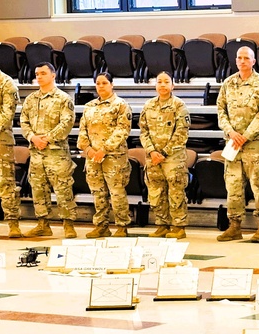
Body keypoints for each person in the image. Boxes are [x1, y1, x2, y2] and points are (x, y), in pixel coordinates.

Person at [216, 46, 259, 243]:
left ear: (253, 61)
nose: (242, 61)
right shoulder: (228, 83)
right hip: (232, 143)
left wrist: (246, 135)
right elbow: (221, 111)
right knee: (232, 186)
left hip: (254, 144)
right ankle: (234, 226)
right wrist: (231, 132)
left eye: (246, 58)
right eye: (239, 58)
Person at [20, 62, 77, 238]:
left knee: (63, 189)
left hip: (56, 153)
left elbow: (67, 123)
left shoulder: (63, 99)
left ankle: (68, 225)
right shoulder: (30, 99)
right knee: (38, 189)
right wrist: (32, 138)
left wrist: (47, 138)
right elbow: (24, 121)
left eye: (43, 73)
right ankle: (43, 224)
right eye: (37, 74)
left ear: (53, 75)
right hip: (36, 153)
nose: (39, 76)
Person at [78, 72, 132, 238]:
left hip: (113, 157)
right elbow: (82, 131)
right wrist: (88, 150)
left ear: (111, 84)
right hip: (93, 158)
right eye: (98, 83)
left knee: (116, 192)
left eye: (104, 83)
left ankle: (122, 225)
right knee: (97, 192)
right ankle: (101, 225)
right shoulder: (89, 107)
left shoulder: (120, 105)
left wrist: (104, 149)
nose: (101, 86)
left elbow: (123, 130)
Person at [139, 71, 190, 239]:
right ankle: (162, 224)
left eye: (166, 82)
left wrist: (163, 152)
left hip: (173, 157)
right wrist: (152, 151)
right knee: (156, 191)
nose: (162, 84)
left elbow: (181, 133)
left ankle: (178, 226)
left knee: (176, 192)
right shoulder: (148, 106)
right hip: (152, 157)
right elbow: (143, 131)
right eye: (159, 81)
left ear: (172, 85)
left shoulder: (179, 106)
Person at [0, 67, 21, 238]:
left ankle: (13, 223)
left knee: (5, 183)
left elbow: (7, 114)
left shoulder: (6, 82)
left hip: (1, 140)